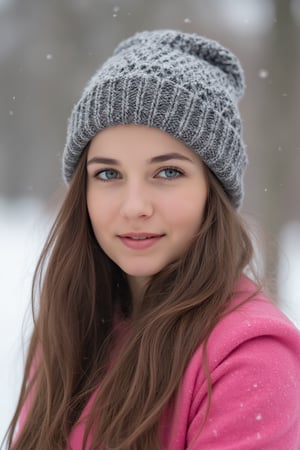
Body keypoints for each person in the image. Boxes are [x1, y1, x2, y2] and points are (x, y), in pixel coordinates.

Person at [5, 29, 300, 450]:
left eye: (167, 172)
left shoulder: (250, 356)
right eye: (108, 174)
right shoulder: (73, 325)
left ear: (211, 191)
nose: (134, 206)